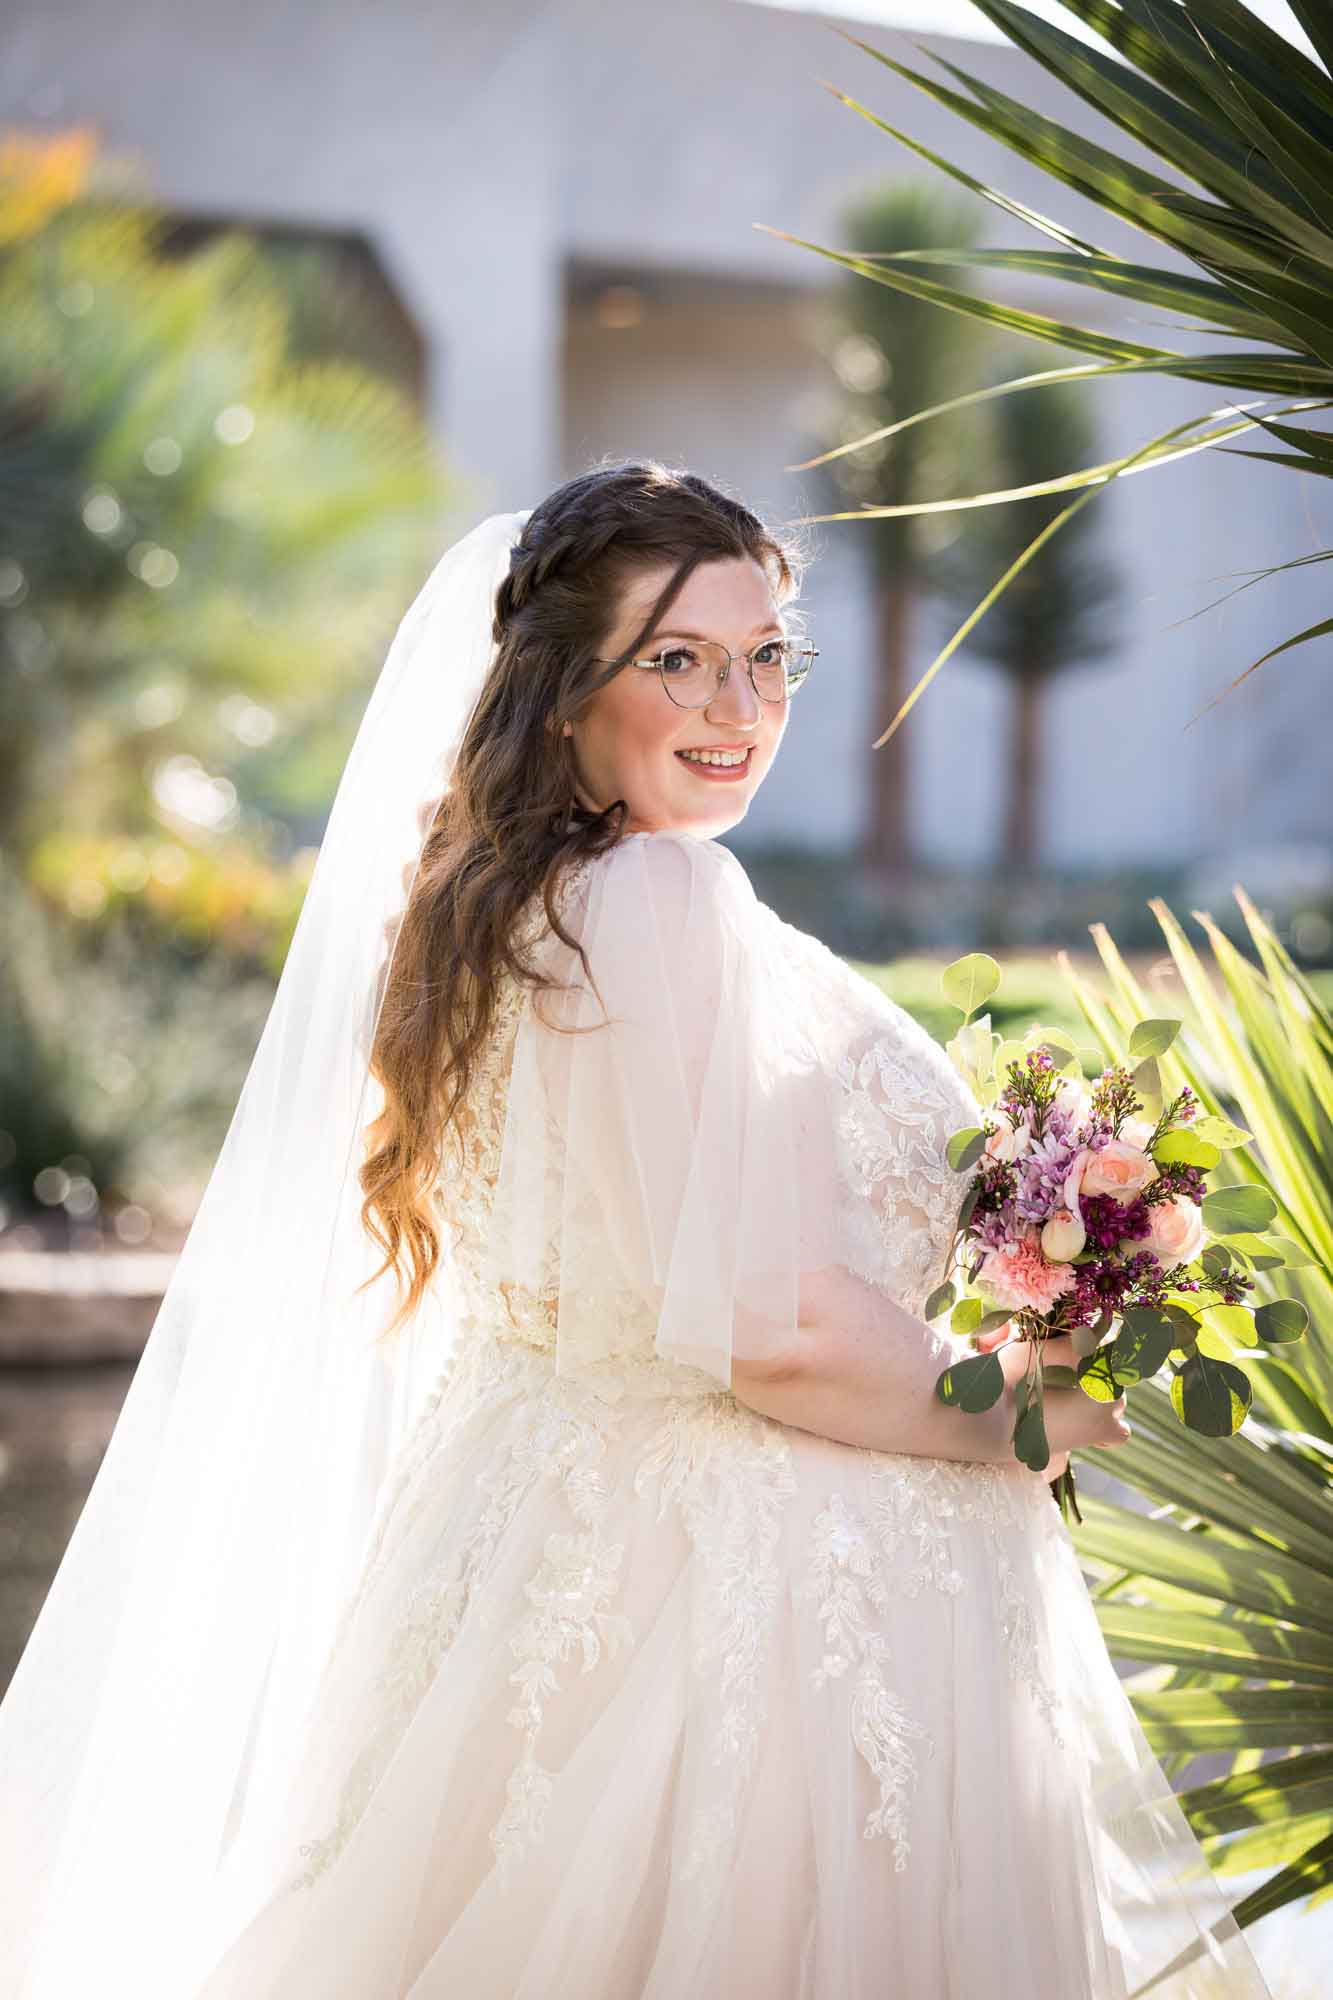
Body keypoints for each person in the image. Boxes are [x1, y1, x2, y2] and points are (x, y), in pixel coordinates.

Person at [0, 462, 1272, 1998]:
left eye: (765, 654)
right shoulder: (657, 896)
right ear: (560, 688)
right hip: (742, 1616)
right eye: (677, 658)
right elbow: (770, 1328)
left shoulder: (492, 898)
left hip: (535, 1543)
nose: (739, 701)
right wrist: (1029, 1408)